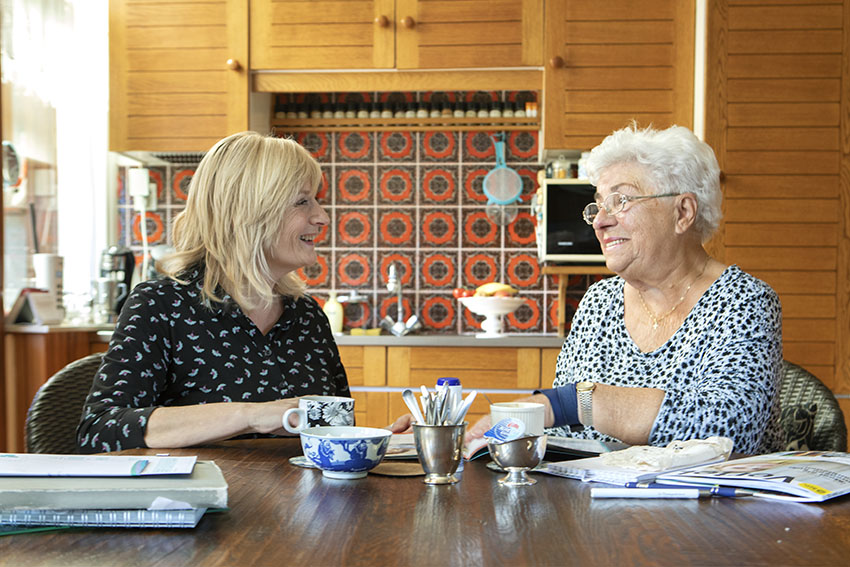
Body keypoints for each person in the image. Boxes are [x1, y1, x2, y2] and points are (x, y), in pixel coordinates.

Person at [391, 123, 784, 455]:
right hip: (598, 517)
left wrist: (572, 402)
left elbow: (732, 431)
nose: (600, 222)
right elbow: (562, 432)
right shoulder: (600, 302)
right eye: (598, 206)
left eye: (622, 200)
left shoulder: (742, 301)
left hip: (709, 528)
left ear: (682, 212)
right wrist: (451, 439)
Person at [77, 131, 348, 453]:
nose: (322, 217)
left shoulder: (307, 315)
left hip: (302, 501)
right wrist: (252, 415)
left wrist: (389, 439)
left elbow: (334, 429)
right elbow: (101, 431)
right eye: (303, 201)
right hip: (207, 502)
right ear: (247, 211)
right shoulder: (161, 306)